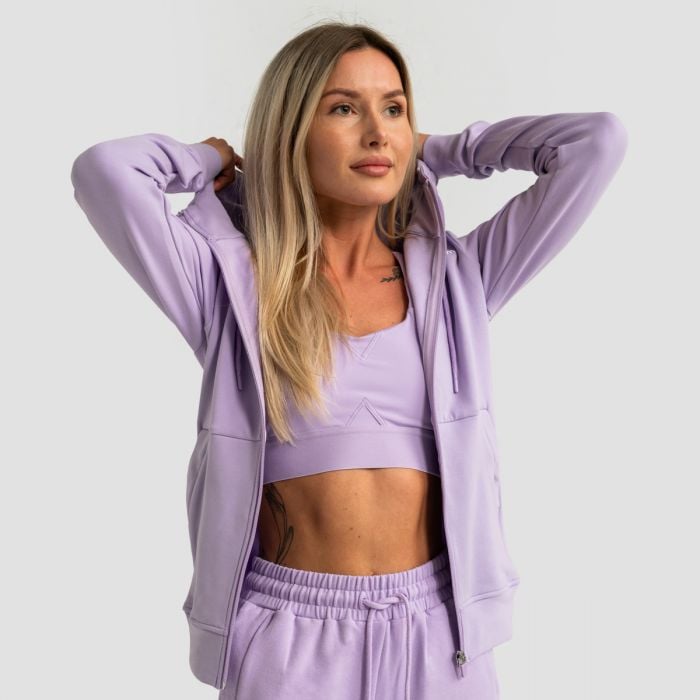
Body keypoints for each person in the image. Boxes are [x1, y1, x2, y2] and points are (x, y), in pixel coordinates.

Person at [70, 19, 627, 700]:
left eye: (392, 108)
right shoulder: (231, 288)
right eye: (342, 109)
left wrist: (435, 149)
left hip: (440, 634)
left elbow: (596, 143)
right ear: (291, 131)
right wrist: (209, 159)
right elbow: (104, 172)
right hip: (290, 634)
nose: (376, 132)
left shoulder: (461, 280)